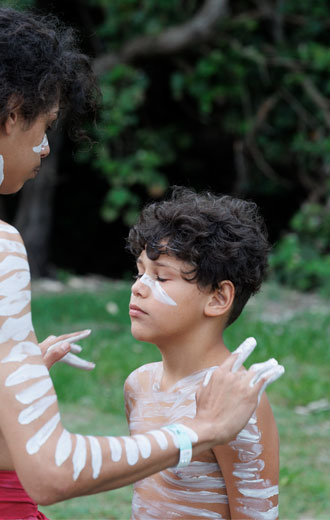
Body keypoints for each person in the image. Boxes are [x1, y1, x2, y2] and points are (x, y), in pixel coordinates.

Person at [0, 5, 284, 519]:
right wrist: (201, 431)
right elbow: (52, 472)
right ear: (10, 112)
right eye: (45, 123)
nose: (45, 146)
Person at [124, 187, 279, 519]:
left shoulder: (235, 399)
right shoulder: (138, 385)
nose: (138, 287)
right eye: (140, 272)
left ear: (218, 298)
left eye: (161, 277)